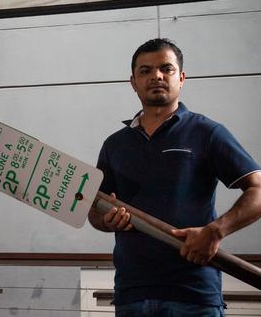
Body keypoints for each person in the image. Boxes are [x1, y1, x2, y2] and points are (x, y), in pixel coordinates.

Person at [88, 38, 261, 316]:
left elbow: (258, 189)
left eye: (165, 69)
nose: (156, 76)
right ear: (133, 82)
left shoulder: (208, 133)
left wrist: (215, 231)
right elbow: (94, 210)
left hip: (194, 295)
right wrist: (107, 221)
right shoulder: (114, 144)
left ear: (181, 78)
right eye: (145, 71)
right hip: (132, 294)